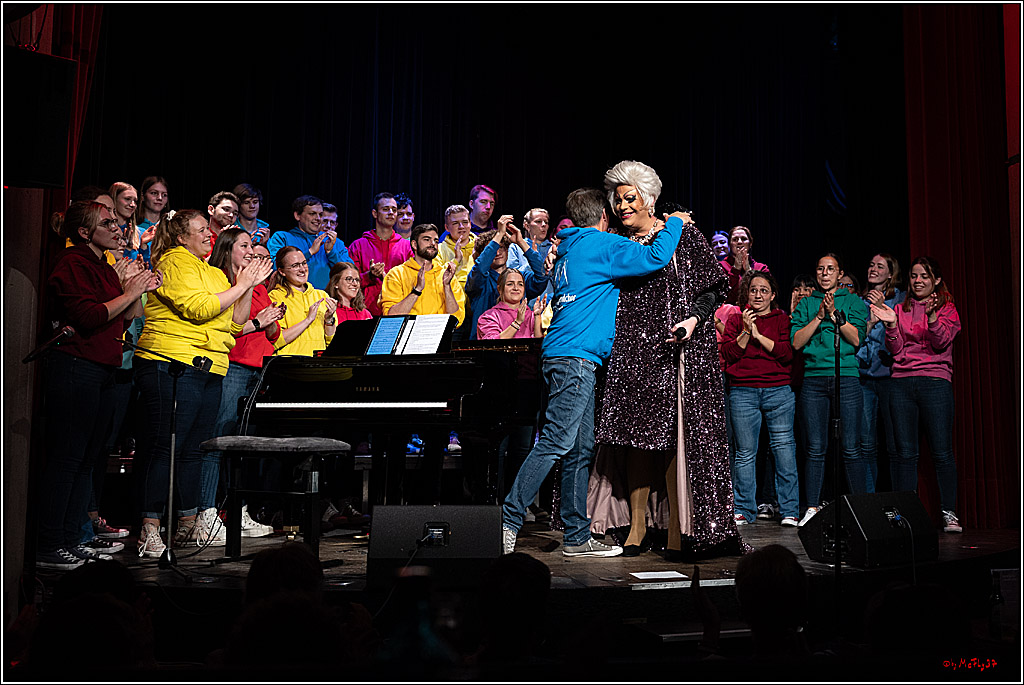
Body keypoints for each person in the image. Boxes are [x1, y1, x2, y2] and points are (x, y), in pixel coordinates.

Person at [501, 184, 686, 559]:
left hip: (565, 355)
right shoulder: (601, 245)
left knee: (580, 448)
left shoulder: (568, 247)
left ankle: (575, 536)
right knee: (555, 441)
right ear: (603, 217)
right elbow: (655, 257)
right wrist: (676, 224)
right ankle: (507, 520)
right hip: (576, 359)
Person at [586, 161, 740, 561]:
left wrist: (694, 318)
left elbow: (714, 286)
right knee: (635, 440)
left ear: (650, 199)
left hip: (676, 349)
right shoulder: (615, 241)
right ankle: (636, 526)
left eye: (629, 197)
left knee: (674, 439)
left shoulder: (683, 234)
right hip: (629, 350)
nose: (622, 206)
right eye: (617, 199)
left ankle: (677, 526)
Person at [134, 209, 273, 557]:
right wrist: (241, 285)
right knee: (166, 448)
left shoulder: (212, 272)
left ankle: (186, 524)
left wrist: (247, 286)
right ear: (182, 237)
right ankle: (149, 526)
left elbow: (235, 324)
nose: (210, 235)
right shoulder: (174, 260)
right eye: (202, 231)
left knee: (196, 449)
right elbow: (198, 309)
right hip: (172, 362)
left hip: (209, 365)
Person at [36, 201, 160, 570]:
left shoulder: (103, 264)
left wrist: (135, 288)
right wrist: (127, 291)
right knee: (66, 460)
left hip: (104, 368)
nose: (117, 226)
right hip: (78, 368)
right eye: (107, 222)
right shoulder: (72, 262)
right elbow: (90, 316)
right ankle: (48, 543)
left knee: (87, 461)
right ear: (85, 232)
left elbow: (131, 315)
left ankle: (74, 538)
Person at [869, 256, 962, 533]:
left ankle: (949, 513)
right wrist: (890, 324)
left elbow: (941, 341)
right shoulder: (899, 307)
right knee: (905, 454)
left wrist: (932, 317)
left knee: (942, 451)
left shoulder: (947, 309)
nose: (918, 281)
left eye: (924, 276)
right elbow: (895, 350)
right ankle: (904, 515)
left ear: (936, 281)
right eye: (914, 276)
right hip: (901, 383)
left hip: (935, 382)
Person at [206, 228, 286, 540]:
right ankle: (215, 510)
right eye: (245, 246)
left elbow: (273, 335)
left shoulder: (260, 287)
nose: (251, 252)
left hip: (260, 371)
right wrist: (258, 321)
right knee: (221, 439)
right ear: (227, 251)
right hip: (234, 367)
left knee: (245, 444)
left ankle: (240, 510)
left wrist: (270, 320)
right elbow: (227, 329)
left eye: (252, 246)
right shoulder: (223, 281)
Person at [790, 253, 870, 527]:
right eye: (821, 268)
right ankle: (812, 507)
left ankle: (861, 510)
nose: (825, 273)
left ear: (840, 273)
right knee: (815, 448)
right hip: (814, 379)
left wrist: (835, 315)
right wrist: (819, 317)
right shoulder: (807, 303)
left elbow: (857, 339)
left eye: (830, 269)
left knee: (851, 447)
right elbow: (797, 343)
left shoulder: (853, 302)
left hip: (845, 378)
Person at [722, 272, 799, 527]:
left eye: (763, 290)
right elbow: (730, 354)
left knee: (784, 450)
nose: (758, 295)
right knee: (745, 453)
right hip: (743, 391)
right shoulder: (735, 320)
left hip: (778, 391)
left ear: (773, 295)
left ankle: (789, 510)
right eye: (753, 290)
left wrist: (757, 334)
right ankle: (744, 508)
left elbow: (786, 354)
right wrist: (746, 331)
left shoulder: (781, 319)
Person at [857, 253, 903, 492]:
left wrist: (882, 307)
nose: (873, 268)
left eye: (880, 266)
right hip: (864, 379)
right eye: (871, 264)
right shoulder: (858, 301)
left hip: (891, 378)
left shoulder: (900, 300)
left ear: (890, 274)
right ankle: (868, 502)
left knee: (895, 444)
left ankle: (900, 501)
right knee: (866, 444)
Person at [465, 216, 548, 339]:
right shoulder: (479, 281)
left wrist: (521, 243)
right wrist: (499, 235)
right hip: (487, 349)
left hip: (521, 351)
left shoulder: (519, 279)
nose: (498, 253)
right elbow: (481, 268)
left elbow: (541, 276)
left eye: (502, 248)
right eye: (493, 250)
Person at [381, 223, 465, 324]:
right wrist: (417, 290)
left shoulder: (446, 275)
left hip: (439, 335)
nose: (432, 243)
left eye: (436, 241)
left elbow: (457, 320)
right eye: (426, 239)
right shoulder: (396, 274)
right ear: (414, 244)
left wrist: (447, 287)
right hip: (408, 335)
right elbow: (391, 317)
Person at [348, 192, 413, 317]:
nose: (391, 213)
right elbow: (348, 282)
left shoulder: (406, 246)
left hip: (398, 312)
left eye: (394, 210)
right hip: (365, 313)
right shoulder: (358, 246)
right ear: (375, 213)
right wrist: (369, 276)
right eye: (385, 209)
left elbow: (414, 280)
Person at [266, 195, 350, 290]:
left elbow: (350, 272)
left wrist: (331, 252)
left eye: (320, 214)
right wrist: (309, 252)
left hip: (328, 300)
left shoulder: (334, 241)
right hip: (293, 299)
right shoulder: (282, 237)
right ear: (297, 215)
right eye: (312, 213)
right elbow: (274, 267)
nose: (318, 218)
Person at [268, 246, 338, 356]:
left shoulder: (322, 296)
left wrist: (329, 320)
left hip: (317, 366)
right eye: (295, 265)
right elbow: (276, 341)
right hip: (289, 365)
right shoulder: (275, 297)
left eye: (304, 263)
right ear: (282, 271)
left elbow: (331, 343)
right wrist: (308, 320)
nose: (302, 269)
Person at [720, 225, 770, 304]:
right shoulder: (720, 267)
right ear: (729, 244)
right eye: (735, 239)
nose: (739, 242)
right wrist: (735, 270)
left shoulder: (761, 268)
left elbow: (766, 295)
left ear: (750, 243)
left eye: (743, 239)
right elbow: (723, 296)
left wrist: (748, 271)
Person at [133, 176, 168, 265]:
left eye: (164, 195)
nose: (160, 198)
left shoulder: (170, 228)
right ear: (143, 196)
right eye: (154, 193)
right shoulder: (134, 228)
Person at [108, 181, 142, 261]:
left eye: (135, 201)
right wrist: (127, 249)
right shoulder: (106, 232)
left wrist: (144, 248)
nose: (132, 204)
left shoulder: (140, 233)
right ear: (114, 199)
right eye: (127, 199)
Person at [233, 182, 270, 247]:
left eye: (255, 202)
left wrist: (264, 246)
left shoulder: (265, 231)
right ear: (238, 205)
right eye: (246, 202)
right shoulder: (232, 230)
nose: (252, 206)